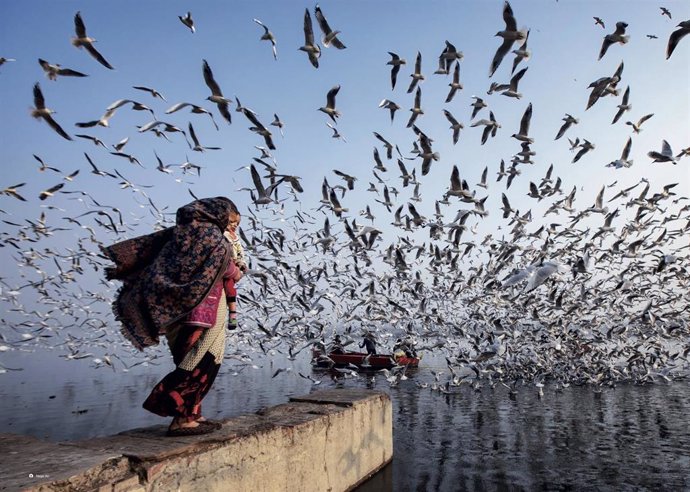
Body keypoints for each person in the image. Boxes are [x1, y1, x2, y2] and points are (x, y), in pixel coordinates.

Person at [102, 197, 243, 437]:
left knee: (192, 359)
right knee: (202, 361)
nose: (232, 228)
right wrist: (237, 270)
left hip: (178, 311)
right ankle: (179, 416)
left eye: (235, 224)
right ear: (217, 215)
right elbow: (224, 264)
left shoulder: (182, 233)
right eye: (230, 222)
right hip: (202, 311)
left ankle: (192, 414)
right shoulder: (211, 237)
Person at [223, 210, 247, 329]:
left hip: (234, 264)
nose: (235, 225)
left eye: (237, 222)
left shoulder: (235, 237)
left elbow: (240, 251)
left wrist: (241, 263)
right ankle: (231, 314)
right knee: (229, 287)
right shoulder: (222, 234)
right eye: (231, 222)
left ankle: (232, 314)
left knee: (231, 288)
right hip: (226, 264)